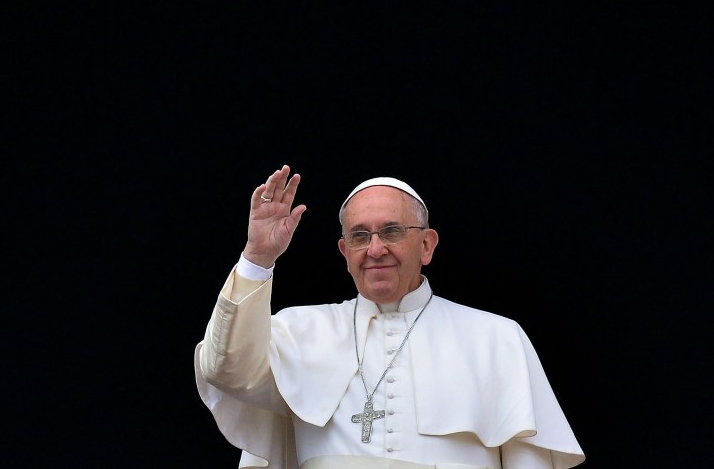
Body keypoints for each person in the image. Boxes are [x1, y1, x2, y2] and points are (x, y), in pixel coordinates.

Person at [195, 165, 585, 469]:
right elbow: (224, 368)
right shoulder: (298, 331)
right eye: (360, 236)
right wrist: (257, 258)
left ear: (427, 245)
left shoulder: (496, 338)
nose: (375, 249)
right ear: (344, 252)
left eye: (391, 231)